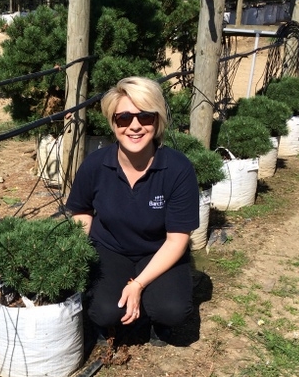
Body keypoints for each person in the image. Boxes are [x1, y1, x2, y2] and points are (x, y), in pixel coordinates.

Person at [65, 76, 199, 346]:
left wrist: (137, 284)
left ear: (157, 120)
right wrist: (76, 258)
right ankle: (112, 317)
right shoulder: (95, 165)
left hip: (158, 251)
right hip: (111, 249)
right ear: (113, 123)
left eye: (145, 117)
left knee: (171, 309)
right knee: (103, 311)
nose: (135, 126)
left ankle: (154, 319)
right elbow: (81, 212)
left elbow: (177, 239)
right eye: (124, 118)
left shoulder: (177, 169)